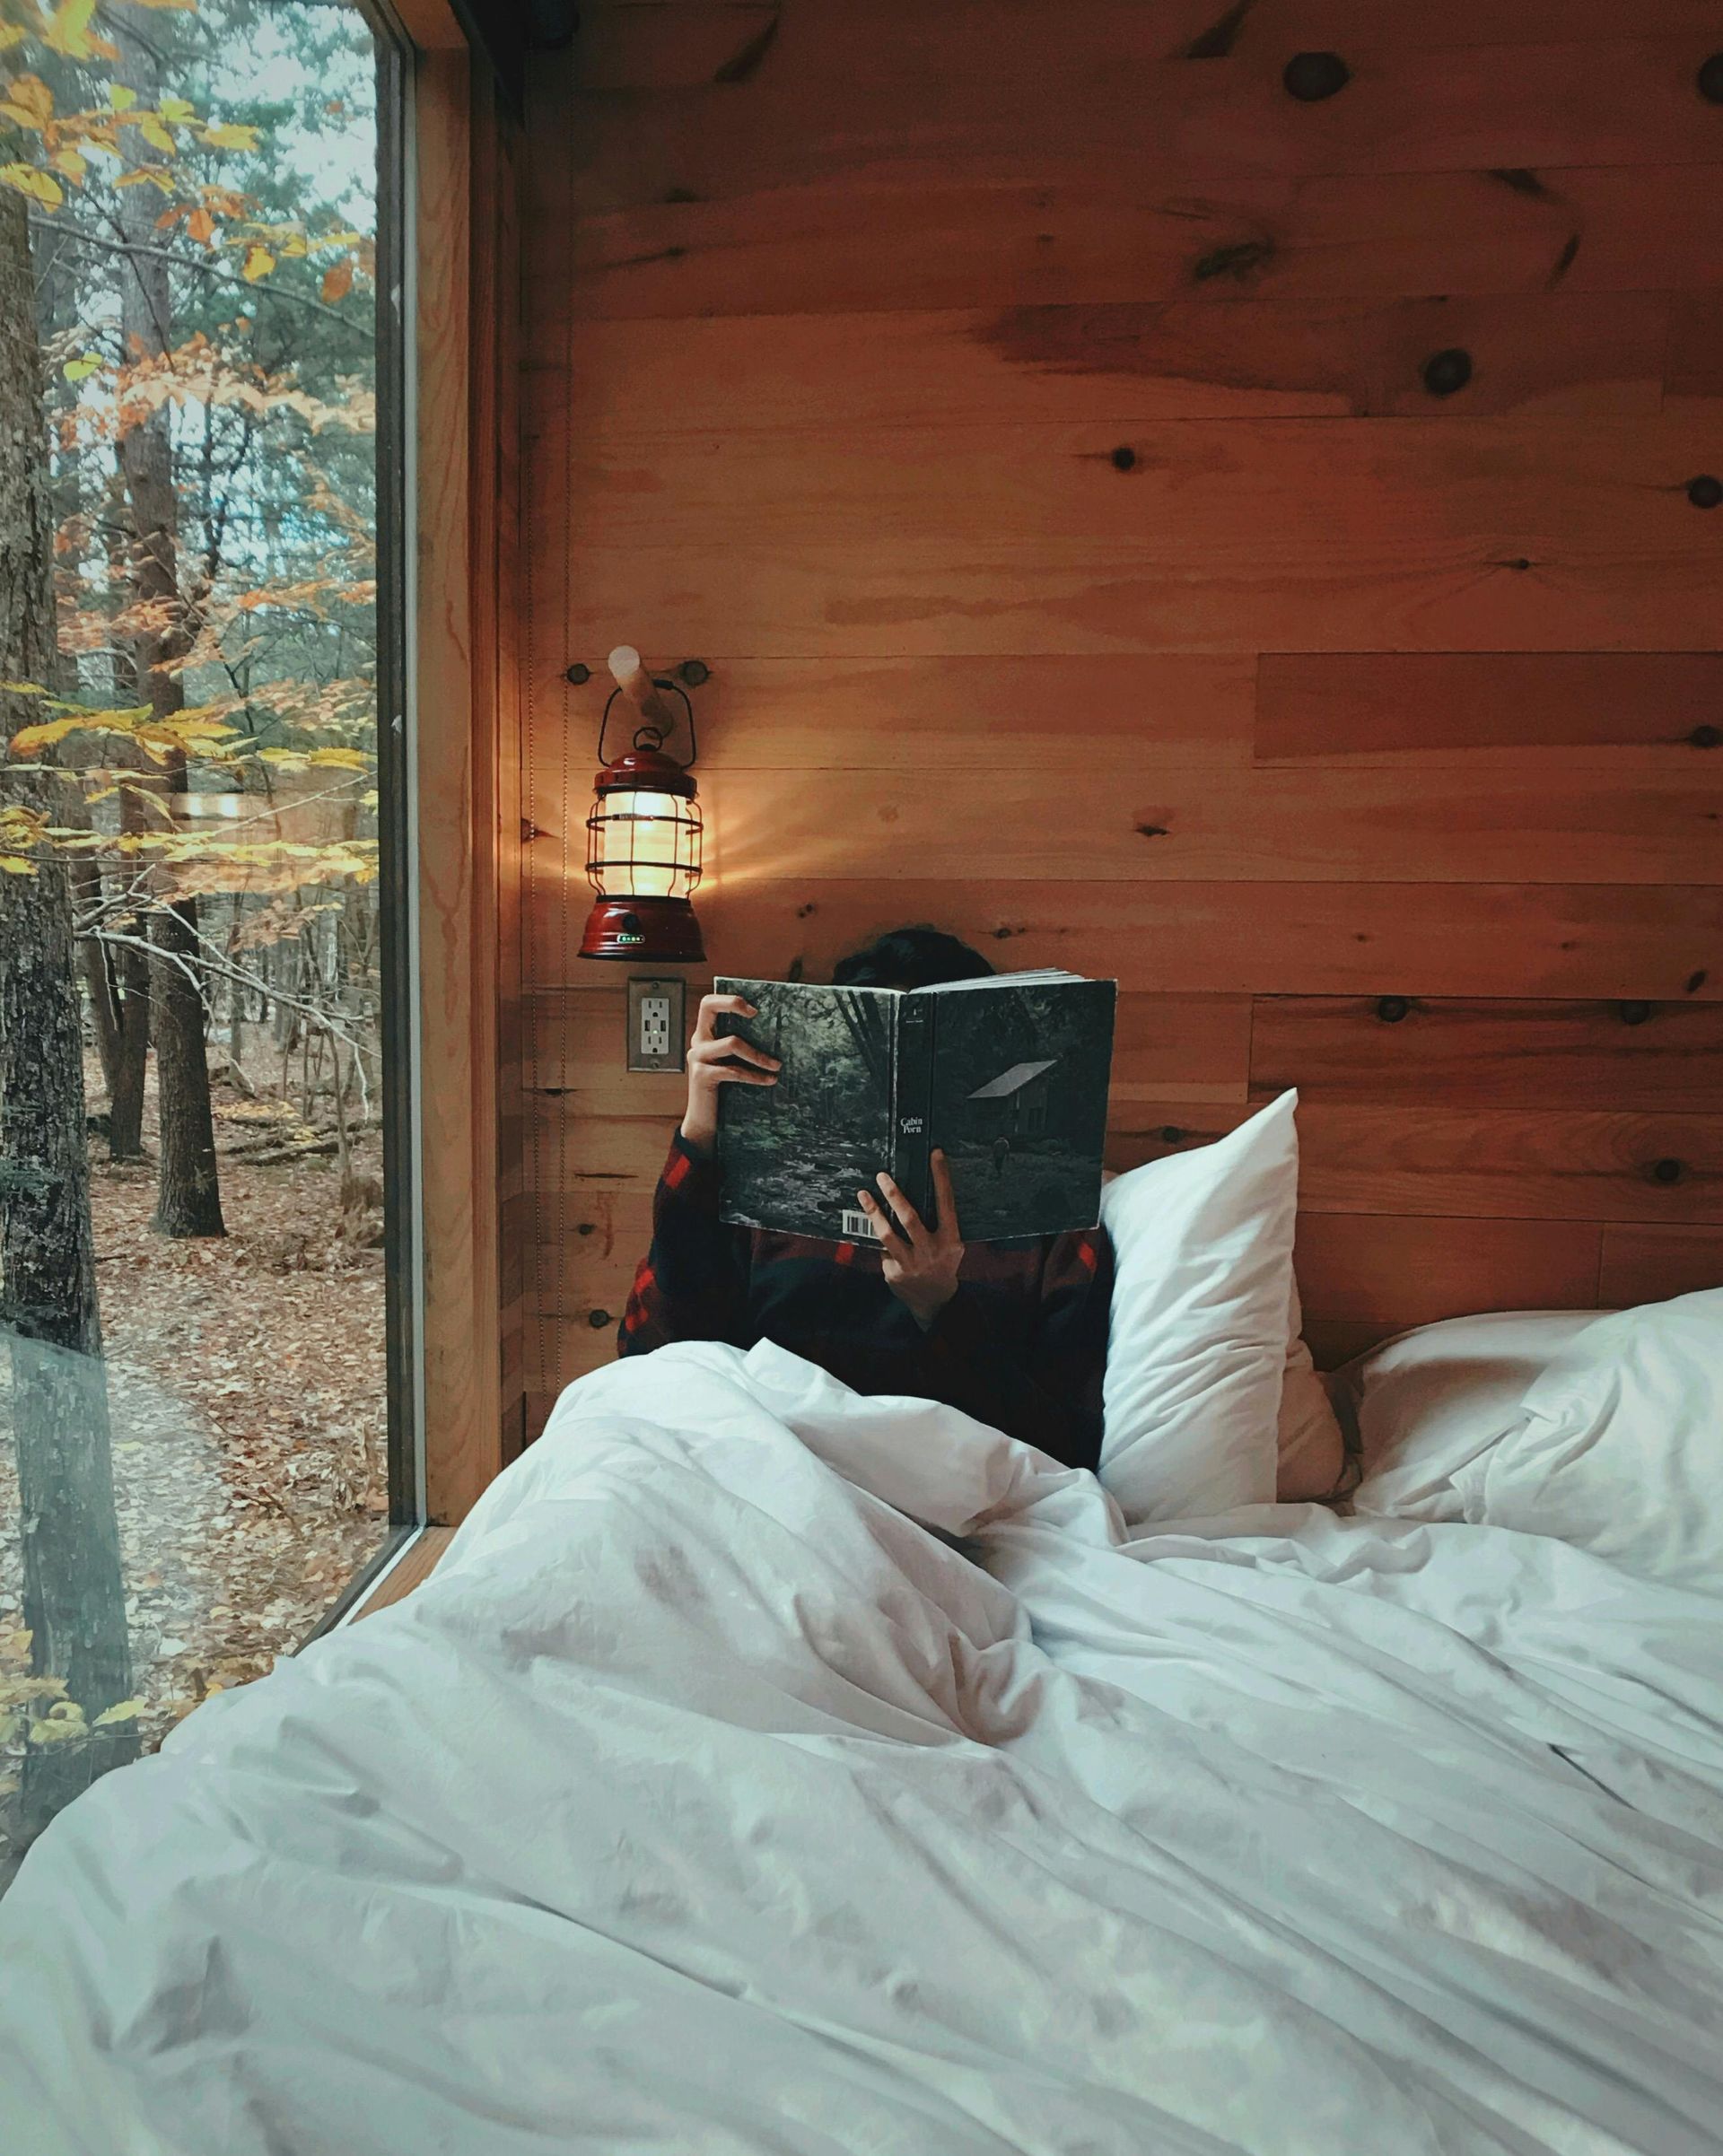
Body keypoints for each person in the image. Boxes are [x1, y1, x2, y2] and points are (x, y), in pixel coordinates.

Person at [617, 927, 1114, 1471]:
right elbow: (652, 1355)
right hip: (763, 1468)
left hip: (938, 1496)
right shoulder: (767, 1192)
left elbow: (1064, 1448)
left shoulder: (1053, 1220)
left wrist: (940, 1309)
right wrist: (702, 1135)